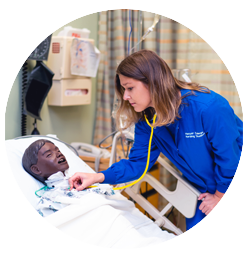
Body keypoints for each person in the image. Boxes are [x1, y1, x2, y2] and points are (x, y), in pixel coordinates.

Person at [69, 49, 243, 231]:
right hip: (203, 192)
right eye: (123, 90)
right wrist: (98, 176)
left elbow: (230, 157)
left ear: (152, 82)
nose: (126, 97)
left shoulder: (208, 107)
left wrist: (221, 195)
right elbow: (137, 164)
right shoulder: (148, 121)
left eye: (130, 88)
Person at [22, 139, 114, 217]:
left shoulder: (83, 182)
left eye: (58, 150)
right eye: (49, 155)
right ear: (36, 169)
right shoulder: (48, 201)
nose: (59, 154)